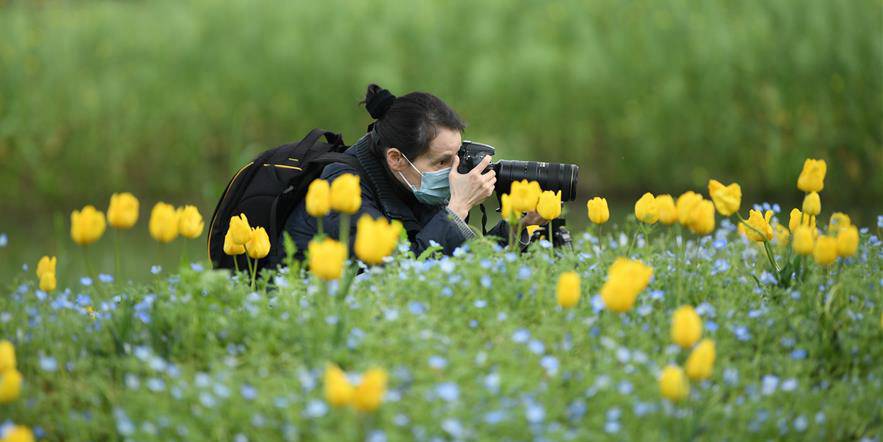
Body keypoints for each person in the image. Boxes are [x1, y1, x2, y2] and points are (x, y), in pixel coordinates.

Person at [282, 84, 547, 258]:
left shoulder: (411, 184)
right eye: (443, 162)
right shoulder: (342, 188)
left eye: (458, 155)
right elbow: (397, 275)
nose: (454, 169)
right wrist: (456, 209)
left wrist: (517, 228)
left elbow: (456, 263)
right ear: (396, 158)